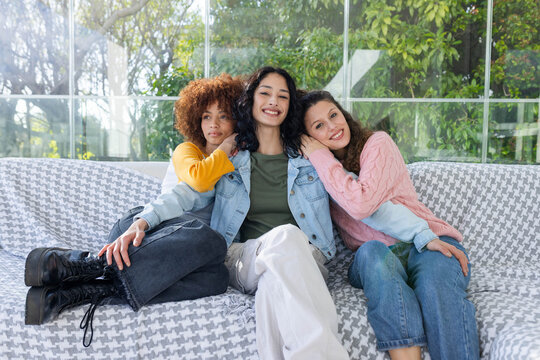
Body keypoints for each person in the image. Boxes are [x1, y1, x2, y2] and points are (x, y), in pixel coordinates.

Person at [125, 66, 447, 360]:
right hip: (243, 258)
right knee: (287, 237)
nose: (273, 101)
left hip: (305, 261)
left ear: (290, 106)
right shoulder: (232, 157)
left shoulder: (311, 159)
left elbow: (362, 205)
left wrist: (422, 233)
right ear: (251, 101)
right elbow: (186, 193)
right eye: (265, 93)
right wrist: (144, 220)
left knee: (274, 287)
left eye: (283, 95)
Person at [23, 74, 244, 347]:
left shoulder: (237, 165)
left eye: (223, 117)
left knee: (217, 278)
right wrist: (224, 148)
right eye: (206, 116)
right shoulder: (188, 150)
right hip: (143, 230)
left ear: (236, 121)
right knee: (210, 239)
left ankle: (94, 289)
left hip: (177, 254)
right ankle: (91, 263)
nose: (214, 124)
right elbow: (194, 184)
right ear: (196, 120)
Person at [298, 90, 479, 360]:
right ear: (310, 139)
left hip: (428, 241)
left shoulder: (377, 144)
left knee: (436, 287)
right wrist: (318, 158)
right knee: (372, 251)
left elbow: (362, 204)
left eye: (333, 115)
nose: (332, 127)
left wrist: (321, 156)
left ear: (343, 114)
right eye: (319, 126)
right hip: (375, 256)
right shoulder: (317, 170)